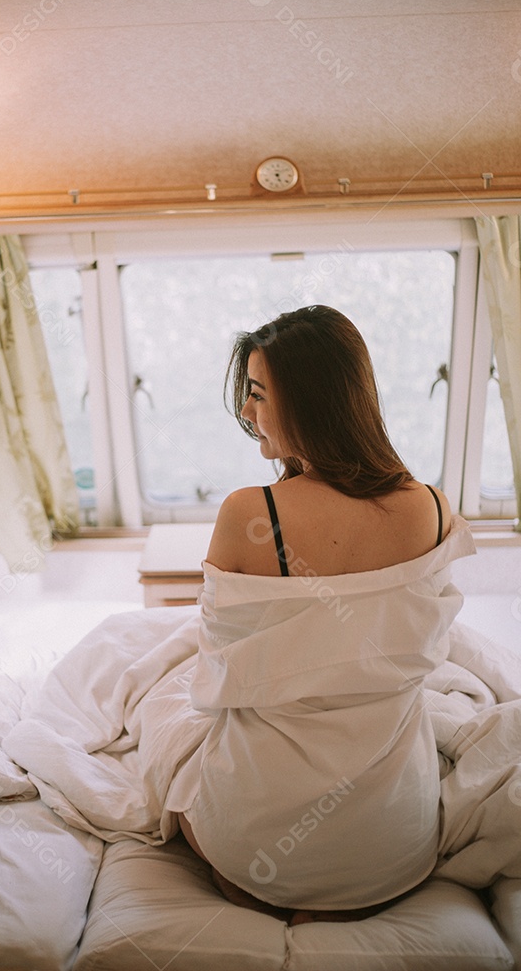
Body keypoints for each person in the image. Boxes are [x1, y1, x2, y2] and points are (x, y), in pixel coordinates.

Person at [171, 304, 475, 924]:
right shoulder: (432, 508)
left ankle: (279, 890)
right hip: (395, 852)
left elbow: (215, 677)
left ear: (312, 401)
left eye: (258, 394)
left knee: (165, 739)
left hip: (255, 858)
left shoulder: (249, 513)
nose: (246, 411)